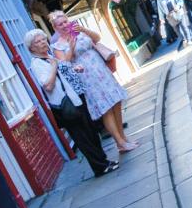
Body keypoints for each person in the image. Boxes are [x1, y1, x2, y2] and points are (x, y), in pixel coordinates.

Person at [25, 29, 117, 177]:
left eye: (43, 39)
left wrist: (73, 68)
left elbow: (64, 73)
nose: (43, 42)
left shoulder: (48, 57)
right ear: (31, 47)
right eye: (38, 41)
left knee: (91, 133)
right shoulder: (37, 64)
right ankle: (100, 167)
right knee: (83, 139)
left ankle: (104, 162)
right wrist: (54, 66)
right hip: (65, 106)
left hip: (75, 99)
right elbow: (48, 85)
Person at [47, 11, 137, 153]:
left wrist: (83, 29)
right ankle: (119, 142)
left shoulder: (80, 33)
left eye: (65, 21)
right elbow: (64, 64)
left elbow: (97, 38)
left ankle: (123, 138)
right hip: (86, 77)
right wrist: (71, 46)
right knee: (105, 108)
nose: (64, 25)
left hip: (101, 70)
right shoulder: (57, 46)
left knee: (116, 102)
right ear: (55, 28)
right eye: (60, 24)